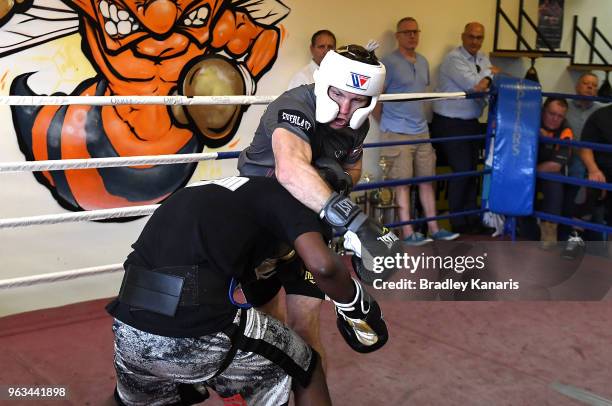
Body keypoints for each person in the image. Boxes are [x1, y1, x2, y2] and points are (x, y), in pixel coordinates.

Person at [106, 176, 388, 405]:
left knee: (127, 400)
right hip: (198, 328)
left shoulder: (227, 193)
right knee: (307, 367)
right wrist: (356, 305)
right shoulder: (296, 202)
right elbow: (324, 267)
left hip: (128, 326)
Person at [238, 45, 402, 369]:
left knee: (306, 333)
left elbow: (352, 170)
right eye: (339, 95)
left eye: (358, 100)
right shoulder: (294, 106)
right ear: (322, 81)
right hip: (262, 233)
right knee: (272, 334)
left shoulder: (357, 124)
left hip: (308, 230)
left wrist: (333, 183)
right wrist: (356, 224)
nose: (345, 109)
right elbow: (290, 170)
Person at [373, 17, 459, 245]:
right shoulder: (387, 62)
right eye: (407, 32)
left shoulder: (422, 61)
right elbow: (375, 99)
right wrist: (387, 125)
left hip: (421, 131)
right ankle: (408, 232)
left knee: (427, 181)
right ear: (398, 36)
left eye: (415, 32)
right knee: (402, 183)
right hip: (396, 133)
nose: (412, 36)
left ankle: (434, 228)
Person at [431, 22, 500, 234]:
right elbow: (476, 87)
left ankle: (471, 218)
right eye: (471, 37)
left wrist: (488, 76)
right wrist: (490, 74)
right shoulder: (454, 58)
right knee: (462, 170)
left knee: (473, 170)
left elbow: (487, 84)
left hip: (471, 122)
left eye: (479, 38)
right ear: (463, 36)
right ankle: (457, 221)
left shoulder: (482, 57)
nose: (475, 42)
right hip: (450, 122)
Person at [536, 98, 574, 249]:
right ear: (543, 110)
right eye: (552, 113)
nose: (555, 119)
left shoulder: (566, 130)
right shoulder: (530, 119)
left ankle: (549, 230)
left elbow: (555, 166)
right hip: (523, 170)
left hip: (541, 171)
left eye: (560, 116)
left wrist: (527, 172)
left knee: (555, 180)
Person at [580, 104, 612, 243]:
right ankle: (576, 238)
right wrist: (593, 169)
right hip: (601, 171)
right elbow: (585, 147)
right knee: (590, 194)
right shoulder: (600, 116)